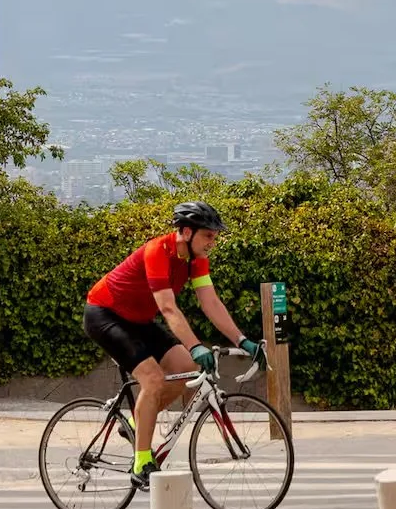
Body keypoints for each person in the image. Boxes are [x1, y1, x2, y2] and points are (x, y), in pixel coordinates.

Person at [83, 203, 262, 486]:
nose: (212, 243)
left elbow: (210, 302)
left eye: (214, 237)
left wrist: (241, 340)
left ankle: (134, 423)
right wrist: (195, 345)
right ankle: (142, 463)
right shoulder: (158, 252)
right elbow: (168, 309)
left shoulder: (196, 259)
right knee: (153, 380)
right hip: (105, 315)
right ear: (187, 232)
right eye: (208, 236)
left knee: (186, 368)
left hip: (138, 320)